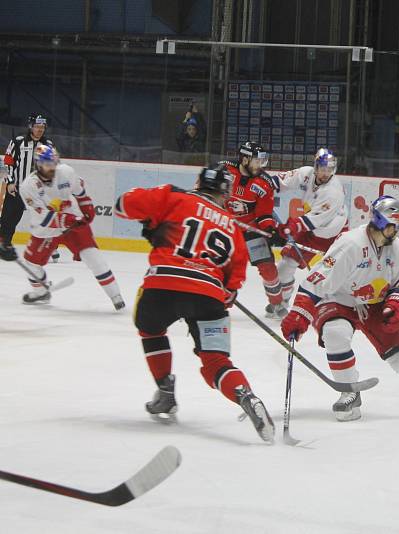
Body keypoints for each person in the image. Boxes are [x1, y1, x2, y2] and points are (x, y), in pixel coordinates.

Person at [114, 164, 274, 443]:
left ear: (199, 183)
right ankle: (245, 394)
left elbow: (123, 205)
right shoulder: (232, 226)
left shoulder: (173, 196)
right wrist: (227, 292)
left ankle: (165, 391)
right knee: (216, 361)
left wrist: (152, 222)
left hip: (163, 285)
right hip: (208, 294)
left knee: (150, 328)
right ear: (226, 195)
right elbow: (234, 280)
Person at [280, 196, 399, 422]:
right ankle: (349, 394)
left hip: (376, 303)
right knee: (336, 333)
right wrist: (299, 313)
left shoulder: (398, 249)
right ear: (381, 224)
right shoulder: (350, 244)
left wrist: (395, 304)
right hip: (340, 298)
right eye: (395, 227)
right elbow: (317, 280)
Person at [16, 144, 124, 309]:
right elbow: (43, 217)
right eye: (47, 164)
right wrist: (66, 219)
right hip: (48, 229)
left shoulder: (66, 171)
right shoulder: (28, 187)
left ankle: (116, 296)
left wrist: (86, 206)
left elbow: (79, 191)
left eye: (54, 162)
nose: (52, 167)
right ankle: (41, 292)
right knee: (31, 262)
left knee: (93, 256)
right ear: (38, 165)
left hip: (72, 221)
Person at [274, 147, 347, 309]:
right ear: (315, 167)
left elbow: (314, 220)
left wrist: (292, 225)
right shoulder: (305, 174)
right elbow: (279, 181)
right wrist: (263, 186)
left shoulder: (333, 191)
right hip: (311, 231)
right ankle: (283, 301)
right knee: (285, 265)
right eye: (322, 169)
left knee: (337, 275)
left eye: (329, 169)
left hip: (335, 235)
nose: (326, 173)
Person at [220, 141, 285, 318]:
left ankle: (277, 303)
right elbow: (208, 195)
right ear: (245, 159)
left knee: (267, 267)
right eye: (257, 161)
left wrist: (270, 230)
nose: (261, 166)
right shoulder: (223, 171)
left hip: (251, 229)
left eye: (262, 162)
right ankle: (217, 299)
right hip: (224, 227)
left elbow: (264, 214)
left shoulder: (264, 184)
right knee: (219, 264)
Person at [1, 114, 53, 258]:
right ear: (31, 127)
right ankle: (4, 243)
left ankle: (49, 247)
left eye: (42, 127)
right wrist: (10, 182)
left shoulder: (47, 145)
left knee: (45, 218)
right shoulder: (18, 142)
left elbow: (51, 167)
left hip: (37, 191)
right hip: (17, 188)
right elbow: (7, 162)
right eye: (37, 126)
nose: (40, 130)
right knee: (8, 218)